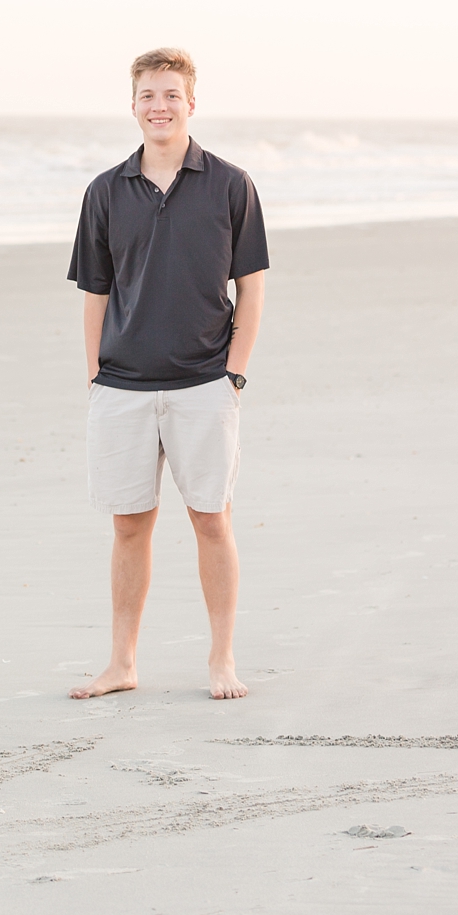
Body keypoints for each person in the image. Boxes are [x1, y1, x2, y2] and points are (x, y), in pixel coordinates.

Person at [66, 47, 269, 701]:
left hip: (204, 383)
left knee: (212, 520)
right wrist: (96, 372)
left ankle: (222, 661)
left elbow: (253, 287)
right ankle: (122, 663)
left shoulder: (231, 185)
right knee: (129, 525)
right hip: (122, 386)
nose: (160, 106)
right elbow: (95, 292)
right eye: (148, 95)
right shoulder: (104, 191)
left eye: (171, 95)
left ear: (190, 103)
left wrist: (234, 374)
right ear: (133, 106)